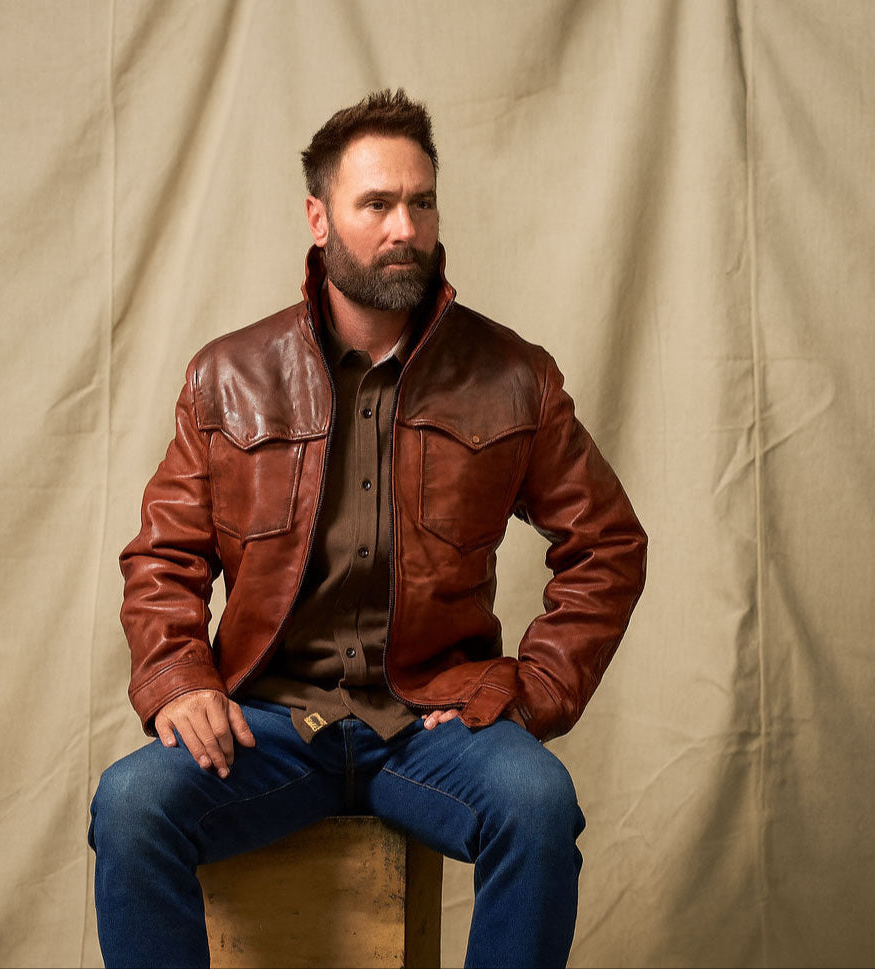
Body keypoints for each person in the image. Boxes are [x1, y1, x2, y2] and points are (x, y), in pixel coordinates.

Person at [88, 88, 647, 969]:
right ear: (318, 218)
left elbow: (606, 544)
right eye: (377, 204)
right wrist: (178, 679)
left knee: (536, 804)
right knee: (129, 804)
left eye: (421, 202)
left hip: (434, 726)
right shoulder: (227, 376)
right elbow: (164, 553)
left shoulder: (513, 376)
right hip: (266, 725)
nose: (404, 228)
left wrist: (534, 689)